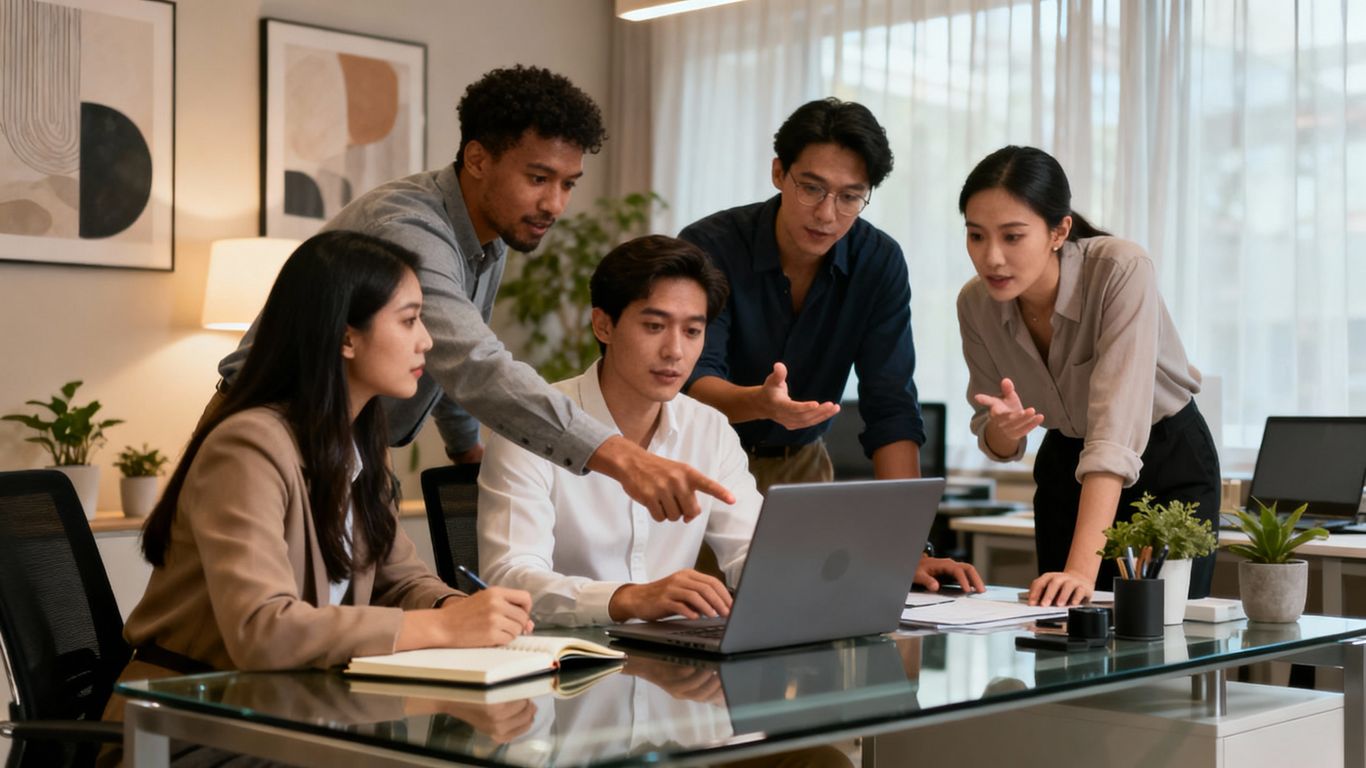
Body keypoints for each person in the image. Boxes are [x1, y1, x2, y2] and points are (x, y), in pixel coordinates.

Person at [218, 65, 731, 524]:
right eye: (538, 178)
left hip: (350, 442)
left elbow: (451, 346)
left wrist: (467, 450)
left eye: (568, 184)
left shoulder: (491, 234)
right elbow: (472, 361)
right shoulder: (410, 228)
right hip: (277, 429)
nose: (554, 203)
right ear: (478, 159)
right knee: (239, 622)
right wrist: (623, 457)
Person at [109, 231, 534, 705]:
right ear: (347, 337)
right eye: (411, 320)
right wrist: (440, 626)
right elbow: (262, 629)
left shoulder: (359, 442)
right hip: (191, 717)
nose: (427, 341)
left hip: (293, 706)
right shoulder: (248, 446)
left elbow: (400, 578)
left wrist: (455, 606)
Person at [478, 236, 982, 630]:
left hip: (675, 682)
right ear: (603, 326)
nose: (676, 351)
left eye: (693, 331)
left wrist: (880, 571)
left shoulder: (708, 429)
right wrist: (628, 598)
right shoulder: (533, 425)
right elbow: (510, 577)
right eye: (655, 326)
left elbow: (755, 555)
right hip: (563, 680)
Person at [955, 145, 1220, 608]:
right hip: (1065, 463)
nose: (991, 257)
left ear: (1059, 231)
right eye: (976, 236)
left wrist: (1082, 570)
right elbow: (998, 442)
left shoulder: (1120, 269)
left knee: (1160, 635)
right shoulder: (975, 304)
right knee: (1063, 632)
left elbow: (1114, 430)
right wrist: (1000, 429)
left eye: (1012, 237)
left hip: (1162, 458)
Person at [679, 98, 926, 492]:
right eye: (812, 188)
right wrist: (760, 403)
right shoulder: (712, 247)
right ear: (779, 172)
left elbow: (891, 403)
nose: (827, 214)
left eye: (849, 197)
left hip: (802, 465)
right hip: (702, 460)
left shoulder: (878, 261)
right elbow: (692, 378)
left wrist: (911, 542)